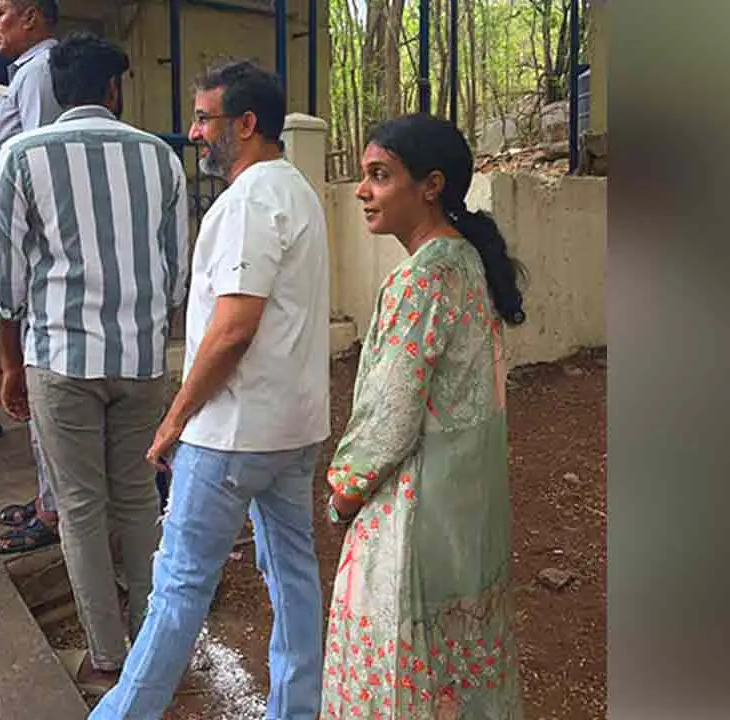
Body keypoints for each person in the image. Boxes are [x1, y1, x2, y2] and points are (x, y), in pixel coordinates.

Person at [91, 60, 330, 719]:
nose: (194, 132)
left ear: (245, 125)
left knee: (177, 589)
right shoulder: (297, 191)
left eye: (205, 118)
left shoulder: (250, 201)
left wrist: (173, 421)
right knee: (293, 578)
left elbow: (233, 330)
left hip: (231, 435)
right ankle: (296, 709)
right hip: (292, 429)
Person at [0, 32, 190, 690]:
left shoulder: (22, 156)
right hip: (139, 359)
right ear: (113, 90)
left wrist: (11, 366)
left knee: (79, 508)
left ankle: (108, 659)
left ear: (54, 90)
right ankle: (155, 646)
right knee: (136, 499)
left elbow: (7, 286)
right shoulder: (161, 159)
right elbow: (177, 276)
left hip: (59, 360)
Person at [319, 113, 527, 719]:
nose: (362, 191)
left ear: (430, 185)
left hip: (414, 515)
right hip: (468, 513)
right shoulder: (467, 263)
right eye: (363, 176)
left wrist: (344, 494)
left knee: (401, 669)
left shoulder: (419, 280)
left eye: (379, 176)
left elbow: (389, 419)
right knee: (461, 668)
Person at [0, 0, 64, 553]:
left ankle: (52, 511)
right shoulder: (24, 74)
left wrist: (20, 254)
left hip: (25, 261)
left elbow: (38, 164)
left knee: (37, 388)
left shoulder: (39, 74)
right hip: (9, 257)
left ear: (32, 17)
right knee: (29, 390)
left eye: (4, 11)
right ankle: (46, 497)